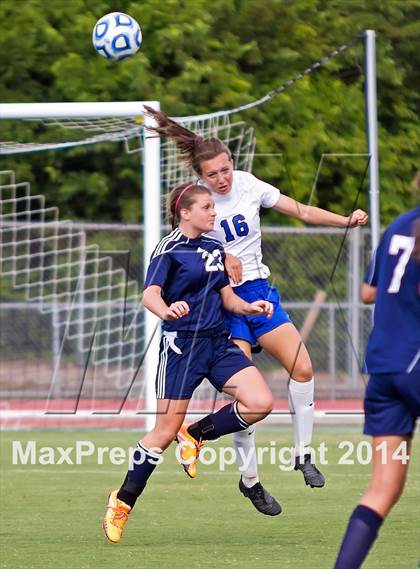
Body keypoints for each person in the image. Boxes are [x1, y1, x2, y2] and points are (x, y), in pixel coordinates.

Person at [144, 106, 368, 514]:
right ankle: (251, 481)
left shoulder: (247, 185)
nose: (222, 179)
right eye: (212, 175)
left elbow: (299, 210)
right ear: (200, 178)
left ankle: (303, 455)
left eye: (225, 168)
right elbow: (189, 254)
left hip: (260, 290)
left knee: (302, 368)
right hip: (224, 302)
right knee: (247, 397)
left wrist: (344, 221)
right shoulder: (198, 205)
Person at [103, 182, 277, 543]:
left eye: (214, 207)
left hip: (217, 343)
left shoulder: (215, 246)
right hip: (181, 347)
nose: (215, 213)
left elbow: (226, 297)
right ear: (186, 213)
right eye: (208, 208)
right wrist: (166, 310)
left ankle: (196, 434)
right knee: (163, 433)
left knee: (260, 402)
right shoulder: (170, 249)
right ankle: (122, 501)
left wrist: (249, 307)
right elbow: (149, 293)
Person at [333, 207, 420, 568]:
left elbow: (368, 292)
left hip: (384, 368)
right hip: (415, 362)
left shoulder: (399, 223)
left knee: (383, 489)